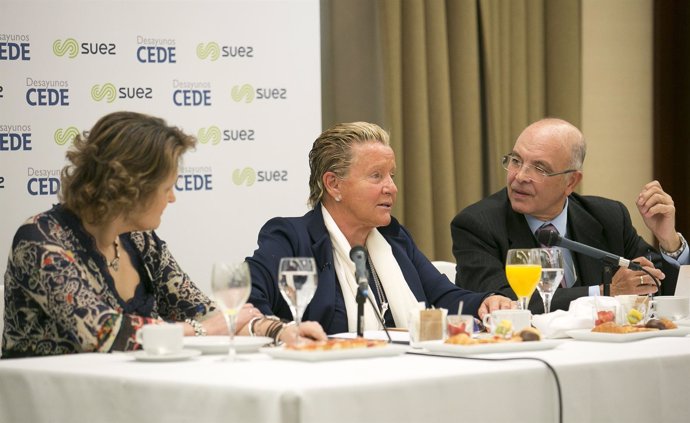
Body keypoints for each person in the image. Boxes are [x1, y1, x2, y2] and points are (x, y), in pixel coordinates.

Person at [2, 111, 325, 358]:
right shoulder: (41, 240)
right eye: (167, 187)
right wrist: (201, 330)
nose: (172, 198)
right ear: (131, 186)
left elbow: (207, 312)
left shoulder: (140, 242)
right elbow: (104, 332)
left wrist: (282, 330)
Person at [246, 121, 513, 335]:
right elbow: (250, 302)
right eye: (376, 176)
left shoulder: (394, 237)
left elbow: (444, 296)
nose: (391, 188)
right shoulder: (291, 238)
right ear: (333, 184)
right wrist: (280, 331)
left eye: (391, 176)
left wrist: (485, 302)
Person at [450, 118, 681, 314]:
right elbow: (503, 303)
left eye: (539, 168)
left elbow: (660, 289)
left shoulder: (607, 217)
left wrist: (669, 242)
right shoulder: (477, 224)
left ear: (570, 181)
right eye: (516, 161)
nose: (520, 176)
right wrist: (604, 293)